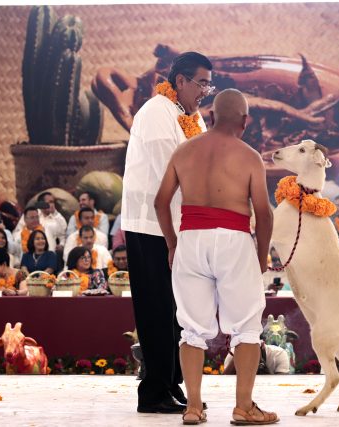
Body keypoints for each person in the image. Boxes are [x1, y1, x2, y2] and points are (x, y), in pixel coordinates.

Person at [154, 88, 277, 425]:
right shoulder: (250, 156)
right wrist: (262, 256)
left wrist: (172, 244)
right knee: (247, 327)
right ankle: (243, 407)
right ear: (245, 121)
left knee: (191, 329)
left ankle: (193, 407)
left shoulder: (184, 151)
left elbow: (160, 202)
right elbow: (264, 215)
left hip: (191, 239)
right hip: (234, 241)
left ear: (210, 117)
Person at [121, 51, 213, 414]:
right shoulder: (157, 113)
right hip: (150, 226)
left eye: (209, 82)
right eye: (201, 82)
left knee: (176, 310)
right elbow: (170, 173)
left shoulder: (192, 118)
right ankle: (153, 390)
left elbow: (203, 163)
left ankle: (171, 383)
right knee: (156, 308)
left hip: (177, 226)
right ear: (180, 82)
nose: (206, 90)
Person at [223, 342, 290, 375]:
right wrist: (236, 357)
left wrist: (261, 364)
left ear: (262, 345)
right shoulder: (233, 354)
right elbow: (225, 381)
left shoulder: (279, 354)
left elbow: (281, 386)